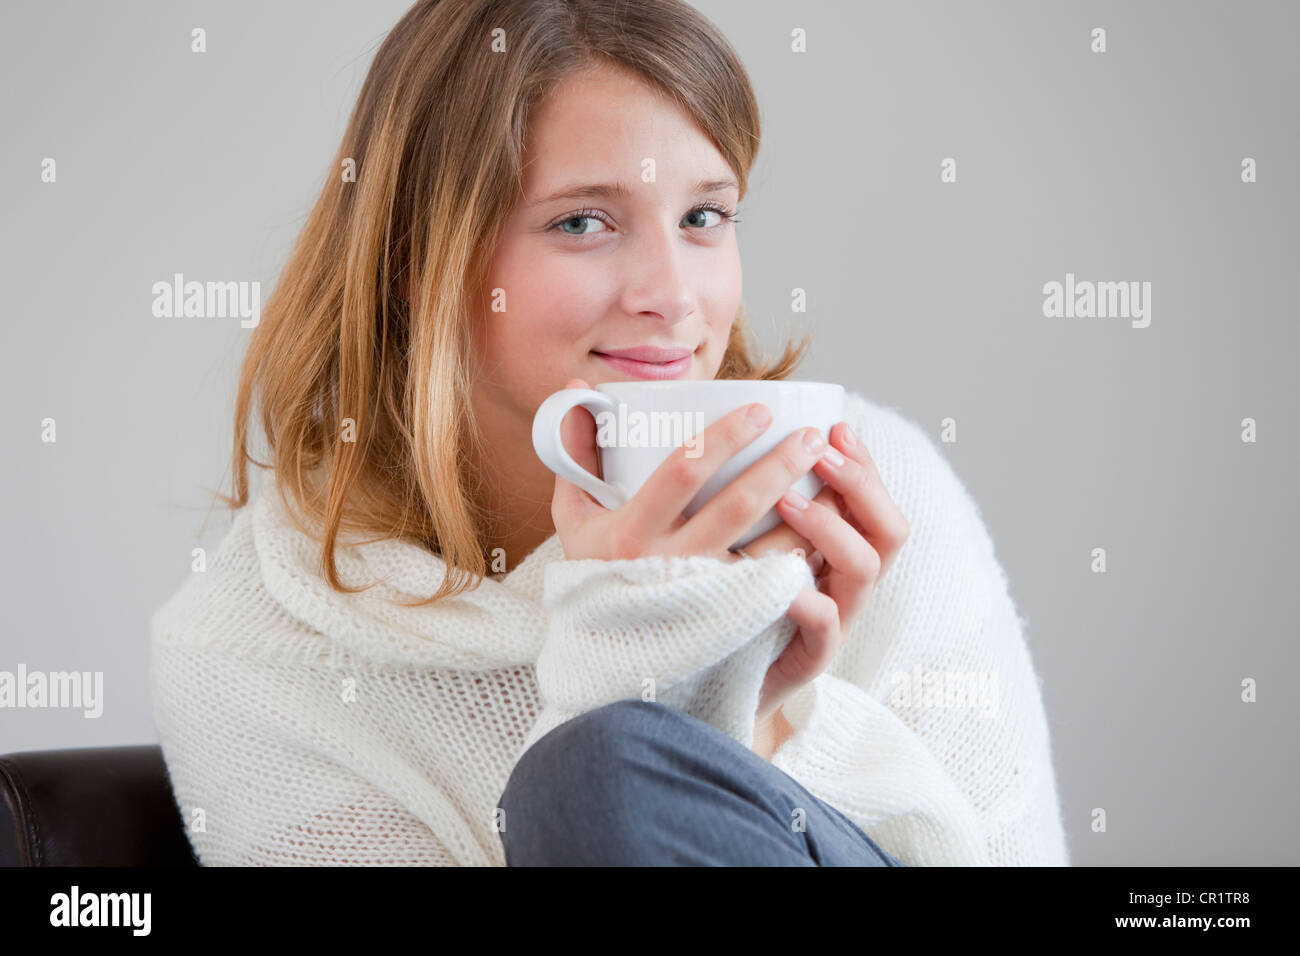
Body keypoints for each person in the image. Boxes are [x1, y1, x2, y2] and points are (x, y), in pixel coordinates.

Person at [149, 0, 1069, 866]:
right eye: (584, 222)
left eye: (703, 217)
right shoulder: (247, 648)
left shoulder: (869, 485)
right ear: (412, 260)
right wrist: (635, 684)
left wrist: (767, 727)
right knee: (594, 766)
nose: (671, 295)